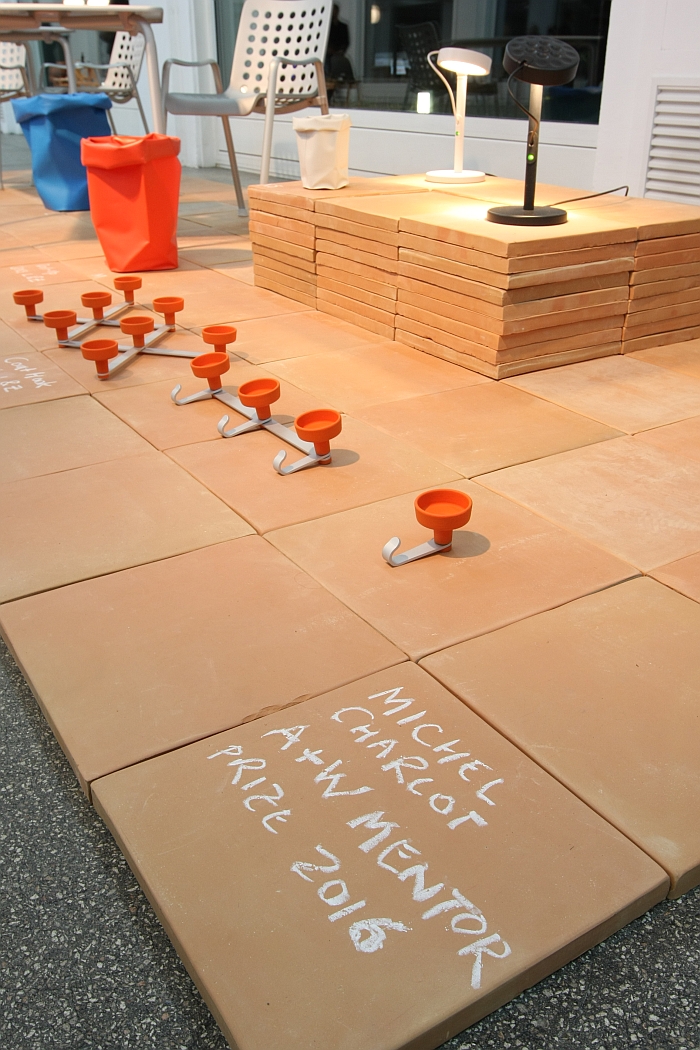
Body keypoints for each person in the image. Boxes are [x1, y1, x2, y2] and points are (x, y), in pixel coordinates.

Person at [325, 3, 355, 102]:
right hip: (328, 55)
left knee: (340, 64)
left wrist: (341, 51)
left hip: (338, 53)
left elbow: (346, 42)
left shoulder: (342, 27)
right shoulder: (326, 27)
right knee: (328, 72)